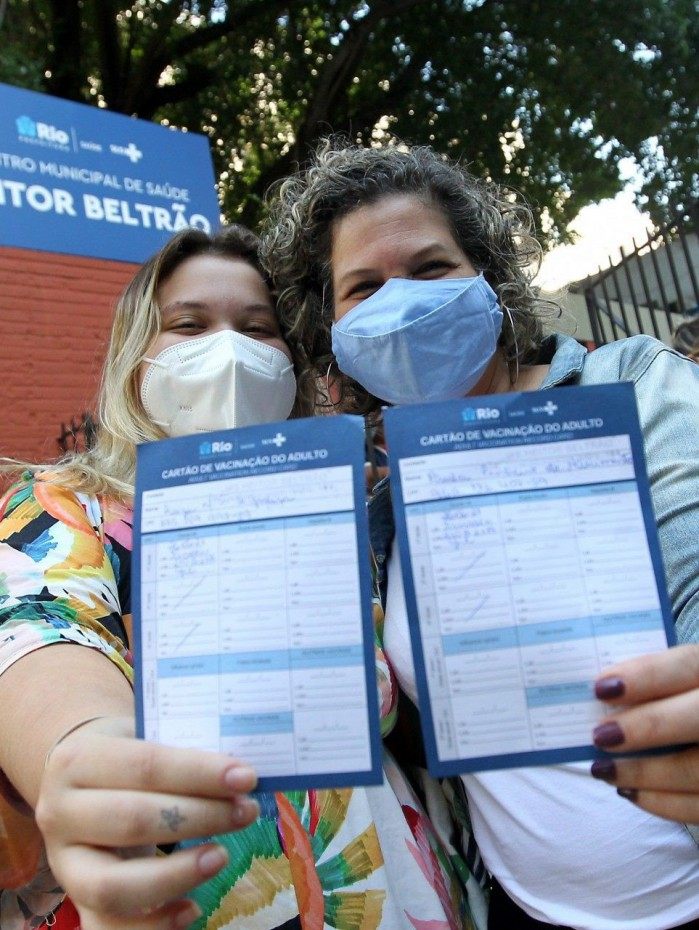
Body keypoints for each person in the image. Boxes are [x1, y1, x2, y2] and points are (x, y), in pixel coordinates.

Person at [260, 139, 699, 930]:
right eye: (363, 287)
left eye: (430, 268)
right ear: (335, 334)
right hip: (521, 908)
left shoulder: (627, 386)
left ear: (491, 285)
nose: (401, 299)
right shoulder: (382, 513)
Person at [0, 226, 472, 930]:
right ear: (135, 359)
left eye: (258, 329)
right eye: (188, 325)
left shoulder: (335, 515)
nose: (229, 350)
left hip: (396, 886)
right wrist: (78, 748)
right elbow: (37, 625)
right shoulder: (68, 506)